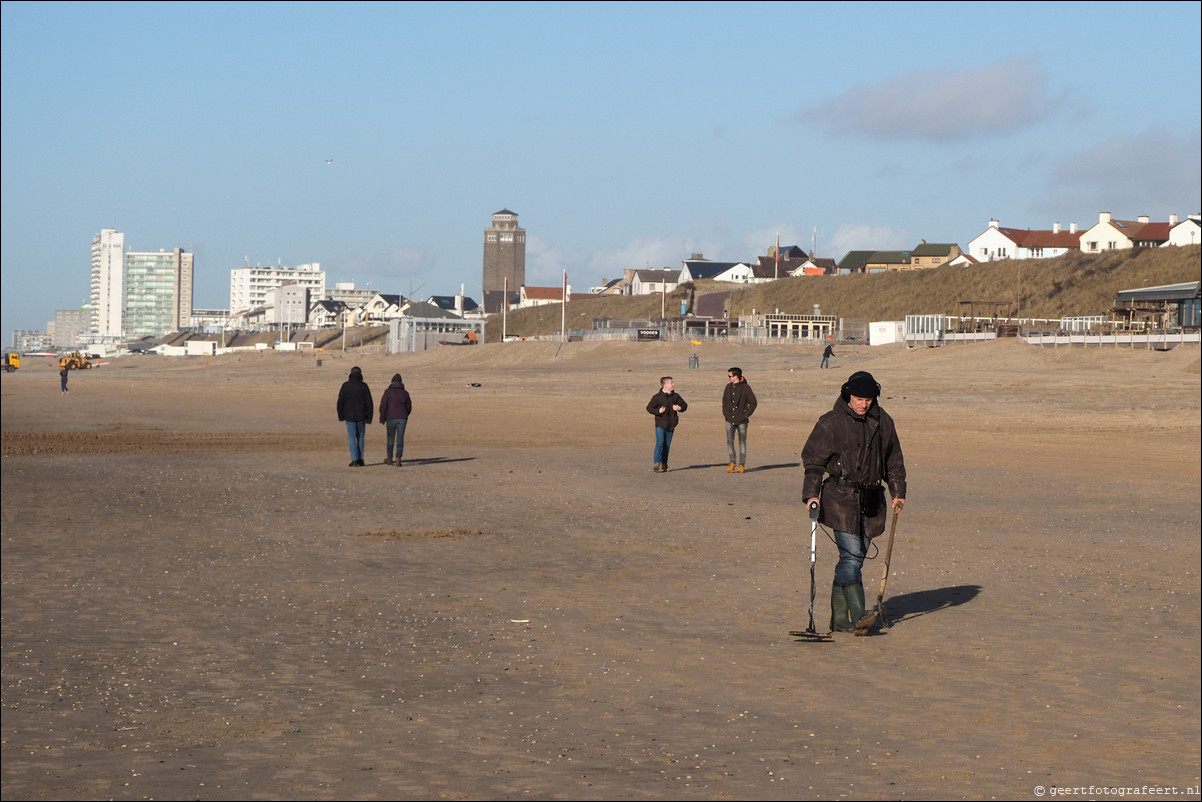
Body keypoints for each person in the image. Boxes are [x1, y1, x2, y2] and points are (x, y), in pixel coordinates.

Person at [801, 370, 906, 634]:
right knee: (851, 556)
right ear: (848, 395)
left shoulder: (884, 422)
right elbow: (813, 462)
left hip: (872, 502)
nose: (864, 403)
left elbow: (894, 460)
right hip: (839, 499)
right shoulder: (831, 422)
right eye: (859, 398)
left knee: (854, 558)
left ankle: (839, 620)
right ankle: (859, 615)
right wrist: (811, 494)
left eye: (869, 398)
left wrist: (898, 491)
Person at [647, 376, 687, 473]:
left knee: (667, 444)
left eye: (673, 383)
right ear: (665, 385)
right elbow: (649, 408)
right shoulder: (657, 397)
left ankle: (664, 463)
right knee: (660, 442)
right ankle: (657, 463)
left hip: (671, 423)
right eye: (671, 383)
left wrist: (679, 408)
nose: (673, 384)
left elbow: (685, 406)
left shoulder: (675, 396)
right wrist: (658, 411)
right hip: (660, 423)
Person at [722, 366, 757, 473]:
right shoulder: (727, 387)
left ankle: (741, 465)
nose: (729, 378)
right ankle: (732, 462)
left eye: (730, 376)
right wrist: (726, 414)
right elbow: (724, 402)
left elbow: (753, 402)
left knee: (742, 443)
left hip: (742, 420)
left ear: (736, 376)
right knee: (729, 441)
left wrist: (746, 415)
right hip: (729, 420)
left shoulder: (745, 388)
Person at [336, 365, 373, 467]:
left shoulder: (345, 386)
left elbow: (340, 402)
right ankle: (360, 459)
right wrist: (369, 417)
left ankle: (354, 459)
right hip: (361, 416)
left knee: (352, 438)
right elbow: (369, 403)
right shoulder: (364, 386)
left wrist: (341, 415)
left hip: (350, 417)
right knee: (360, 437)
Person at [378, 372, 412, 466]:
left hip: (391, 418)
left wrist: (382, 418)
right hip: (402, 418)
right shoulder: (405, 393)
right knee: (400, 439)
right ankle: (398, 459)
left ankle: (389, 458)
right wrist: (404, 415)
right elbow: (409, 407)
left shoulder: (388, 392)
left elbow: (383, 406)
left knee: (390, 439)